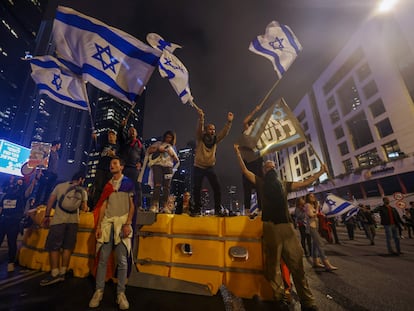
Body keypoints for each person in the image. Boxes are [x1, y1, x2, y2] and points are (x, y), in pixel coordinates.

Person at [234, 144, 324, 311]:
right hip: (271, 227)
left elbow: (304, 183)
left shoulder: (284, 184)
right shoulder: (260, 182)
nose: (271, 168)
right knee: (273, 266)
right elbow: (245, 172)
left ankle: (307, 302)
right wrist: (238, 154)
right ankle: (280, 298)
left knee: (296, 265)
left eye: (273, 166)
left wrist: (320, 172)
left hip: (286, 227)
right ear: (264, 172)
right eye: (268, 167)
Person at [89, 157, 135, 310]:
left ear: (121, 166)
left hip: (122, 224)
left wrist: (128, 223)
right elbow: (103, 205)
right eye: (111, 164)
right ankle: (98, 291)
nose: (112, 166)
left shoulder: (128, 183)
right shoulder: (108, 185)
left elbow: (132, 206)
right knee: (103, 258)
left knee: (122, 261)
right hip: (107, 224)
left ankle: (121, 294)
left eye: (115, 163)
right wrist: (99, 226)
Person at [39, 171, 88, 286]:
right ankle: (63, 272)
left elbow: (50, 201)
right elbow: (84, 208)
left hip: (58, 221)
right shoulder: (83, 191)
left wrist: (47, 216)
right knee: (68, 247)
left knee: (54, 247)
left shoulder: (60, 186)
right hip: (73, 222)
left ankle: (54, 273)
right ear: (81, 179)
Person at [192, 107, 233, 216]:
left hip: (209, 167)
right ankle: (197, 209)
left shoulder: (215, 140)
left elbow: (223, 134)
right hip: (198, 167)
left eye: (214, 129)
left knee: (217, 187)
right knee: (197, 188)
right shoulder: (200, 138)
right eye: (210, 129)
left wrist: (229, 122)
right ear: (206, 130)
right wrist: (201, 118)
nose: (213, 131)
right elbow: (199, 129)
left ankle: (217, 210)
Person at [0, 176, 36, 272]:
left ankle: (11, 262)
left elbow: (28, 192)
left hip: (14, 222)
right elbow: (0, 208)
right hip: (3, 220)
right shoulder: (5, 196)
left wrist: (33, 180)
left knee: (11, 242)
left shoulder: (21, 195)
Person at [146, 130, 179, 213]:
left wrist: (171, 153)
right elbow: (149, 150)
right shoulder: (158, 143)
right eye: (167, 137)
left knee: (166, 187)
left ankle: (164, 205)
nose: (168, 139)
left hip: (168, 167)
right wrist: (158, 149)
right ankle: (154, 205)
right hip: (158, 165)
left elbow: (176, 159)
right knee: (157, 185)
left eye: (170, 137)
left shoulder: (173, 147)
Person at [304, 193, 338, 271]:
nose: (313, 197)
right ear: (308, 198)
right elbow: (311, 215)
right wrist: (317, 209)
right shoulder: (307, 205)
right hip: (312, 227)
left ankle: (315, 262)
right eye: (310, 196)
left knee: (314, 245)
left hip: (316, 226)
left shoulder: (313, 205)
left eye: (313, 196)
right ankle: (327, 264)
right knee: (320, 244)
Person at [241, 104, 264, 212]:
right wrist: (255, 110)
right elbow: (245, 122)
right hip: (248, 163)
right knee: (247, 188)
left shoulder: (259, 136)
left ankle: (260, 210)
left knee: (260, 187)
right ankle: (247, 210)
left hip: (258, 163)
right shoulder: (247, 134)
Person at [118, 119, 145, 209]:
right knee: (123, 187)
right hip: (124, 168)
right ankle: (122, 206)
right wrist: (122, 127)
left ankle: (138, 206)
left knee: (137, 188)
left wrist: (140, 163)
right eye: (130, 131)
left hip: (134, 169)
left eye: (134, 131)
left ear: (136, 133)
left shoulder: (140, 145)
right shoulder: (125, 142)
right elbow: (120, 136)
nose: (132, 132)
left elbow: (144, 157)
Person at [91, 129, 119, 208]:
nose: (110, 136)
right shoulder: (104, 145)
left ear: (116, 137)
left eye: (112, 135)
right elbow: (96, 148)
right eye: (109, 135)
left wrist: (114, 155)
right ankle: (96, 207)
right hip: (100, 169)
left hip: (110, 171)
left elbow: (120, 160)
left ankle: (106, 207)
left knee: (108, 189)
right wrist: (94, 139)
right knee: (98, 188)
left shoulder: (118, 147)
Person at [35, 140, 61, 205]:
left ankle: (44, 203)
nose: (60, 147)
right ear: (56, 145)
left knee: (49, 190)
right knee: (41, 188)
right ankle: (37, 203)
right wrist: (40, 171)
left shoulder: (56, 154)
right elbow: (42, 161)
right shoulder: (48, 152)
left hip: (53, 174)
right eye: (59, 145)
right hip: (47, 172)